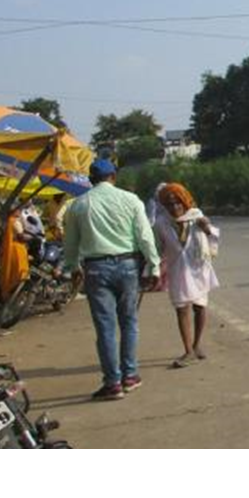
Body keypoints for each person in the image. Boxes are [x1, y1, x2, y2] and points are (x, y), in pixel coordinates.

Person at [63, 159, 160, 401]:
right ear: (113, 176)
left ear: (90, 179)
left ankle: (113, 383)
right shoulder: (130, 199)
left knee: (105, 327)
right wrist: (154, 266)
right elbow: (145, 236)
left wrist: (73, 267)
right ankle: (130, 375)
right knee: (129, 322)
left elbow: (71, 243)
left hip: (95, 269)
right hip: (128, 265)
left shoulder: (78, 205)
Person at [154, 183, 220, 368]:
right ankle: (188, 350)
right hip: (177, 271)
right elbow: (157, 248)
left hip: (198, 269)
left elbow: (213, 238)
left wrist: (206, 227)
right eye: (169, 204)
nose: (175, 207)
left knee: (200, 307)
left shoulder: (196, 216)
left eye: (178, 203)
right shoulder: (160, 223)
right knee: (181, 309)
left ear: (184, 201)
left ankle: (197, 344)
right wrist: (153, 269)